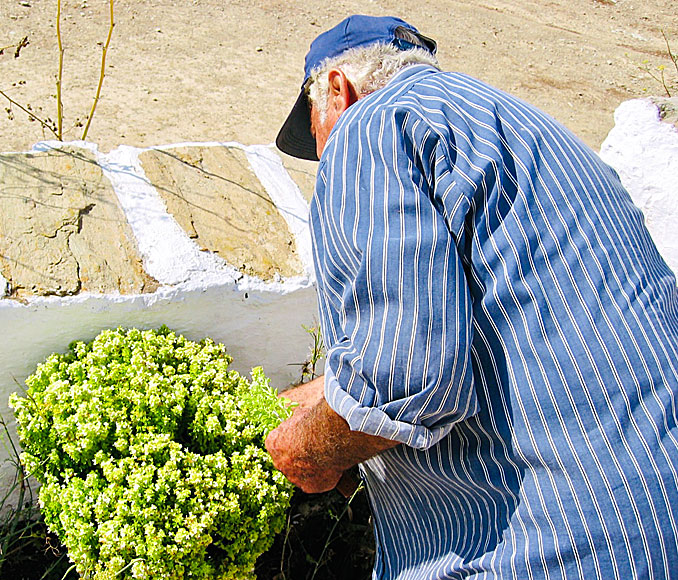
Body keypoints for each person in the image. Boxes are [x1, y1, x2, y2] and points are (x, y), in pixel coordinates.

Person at [266, 14, 678, 579]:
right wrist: (316, 396)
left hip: (538, 548)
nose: (321, 150)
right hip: (651, 523)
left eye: (314, 128)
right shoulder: (532, 131)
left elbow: (405, 377)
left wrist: (307, 450)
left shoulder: (370, 126)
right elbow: (500, 323)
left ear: (338, 88)